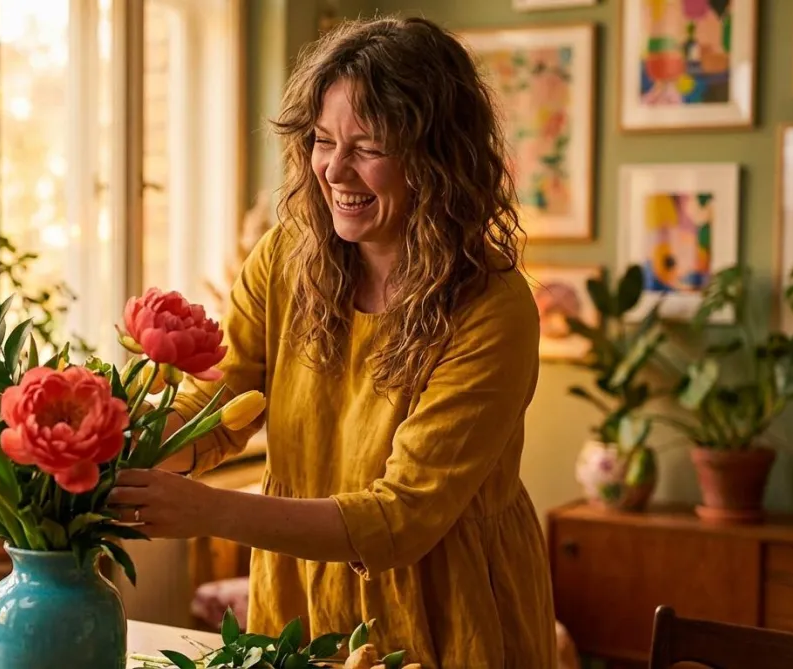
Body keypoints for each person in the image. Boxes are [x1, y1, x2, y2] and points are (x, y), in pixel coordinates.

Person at [108, 15, 556, 668]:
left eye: (367, 146)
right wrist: (107, 440)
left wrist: (205, 509)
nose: (334, 169)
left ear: (437, 157)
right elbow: (219, 404)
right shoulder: (285, 258)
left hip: (446, 608)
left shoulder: (493, 307)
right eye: (322, 140)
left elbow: (401, 518)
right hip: (299, 601)